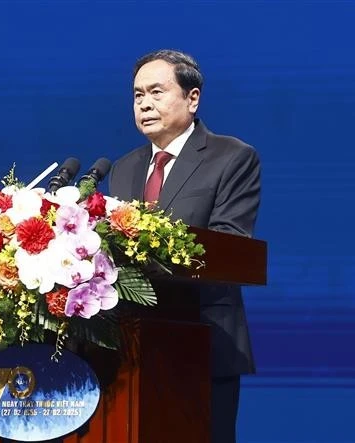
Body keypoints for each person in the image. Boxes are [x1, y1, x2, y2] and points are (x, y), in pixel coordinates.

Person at [108, 49, 261, 443]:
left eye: (157, 92)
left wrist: (148, 251)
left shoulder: (232, 157)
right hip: (134, 346)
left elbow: (228, 244)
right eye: (137, 94)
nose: (144, 103)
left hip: (204, 341)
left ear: (192, 98)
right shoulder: (124, 168)